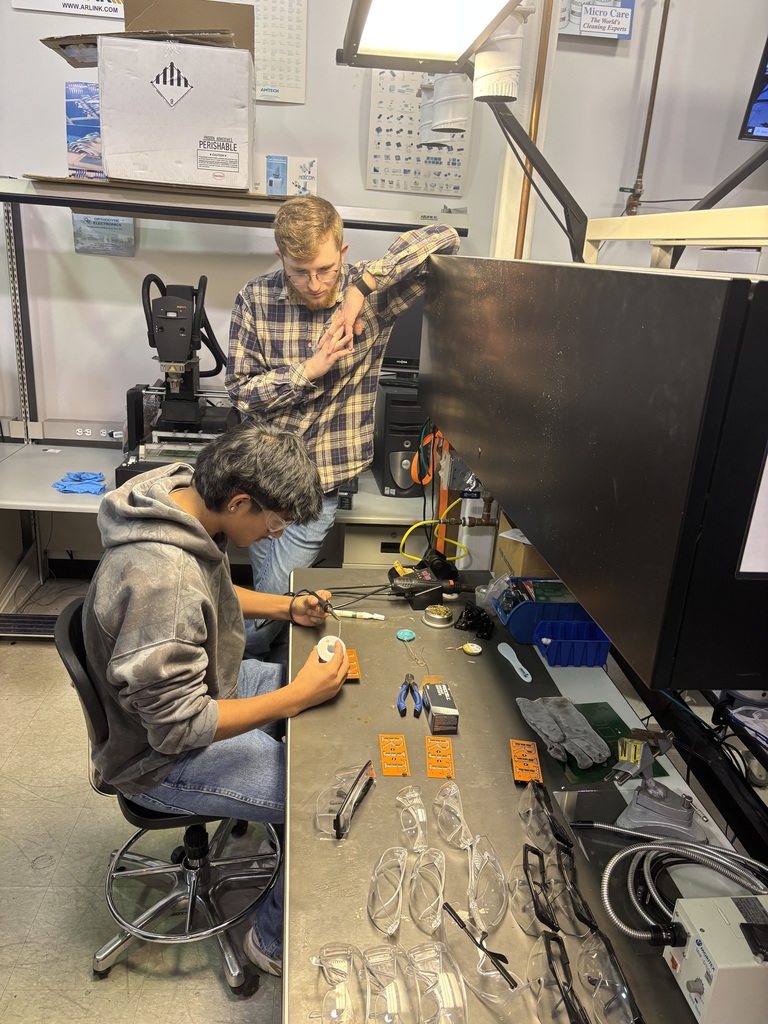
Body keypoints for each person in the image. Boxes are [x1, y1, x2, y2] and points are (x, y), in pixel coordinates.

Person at [82, 422, 349, 976]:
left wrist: (286, 607)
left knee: (319, 698)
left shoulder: (179, 494)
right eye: (274, 522)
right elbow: (179, 729)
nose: (277, 534)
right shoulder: (163, 582)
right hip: (158, 757)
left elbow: (215, 592)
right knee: (321, 799)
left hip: (202, 687)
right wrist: (293, 698)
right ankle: (271, 944)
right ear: (240, 502)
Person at [226, 195, 460, 655]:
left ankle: (239, 671)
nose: (314, 284)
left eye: (326, 269)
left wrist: (359, 290)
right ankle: (265, 669)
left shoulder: (374, 297)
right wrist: (308, 371)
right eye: (300, 271)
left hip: (319, 484)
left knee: (273, 594)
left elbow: (446, 238)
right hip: (259, 481)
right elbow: (240, 391)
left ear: (343, 251)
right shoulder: (255, 299)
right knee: (272, 587)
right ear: (280, 257)